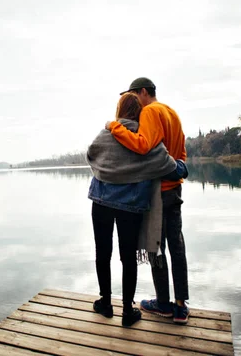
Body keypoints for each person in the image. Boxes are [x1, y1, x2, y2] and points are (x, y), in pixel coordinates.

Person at [86, 92, 187, 327]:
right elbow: (168, 166)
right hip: (130, 207)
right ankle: (128, 311)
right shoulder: (145, 140)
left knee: (103, 253)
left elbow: (91, 154)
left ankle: (106, 303)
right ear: (139, 111)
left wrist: (107, 172)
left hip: (100, 201)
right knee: (127, 258)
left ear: (119, 109)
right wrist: (183, 168)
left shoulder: (107, 133)